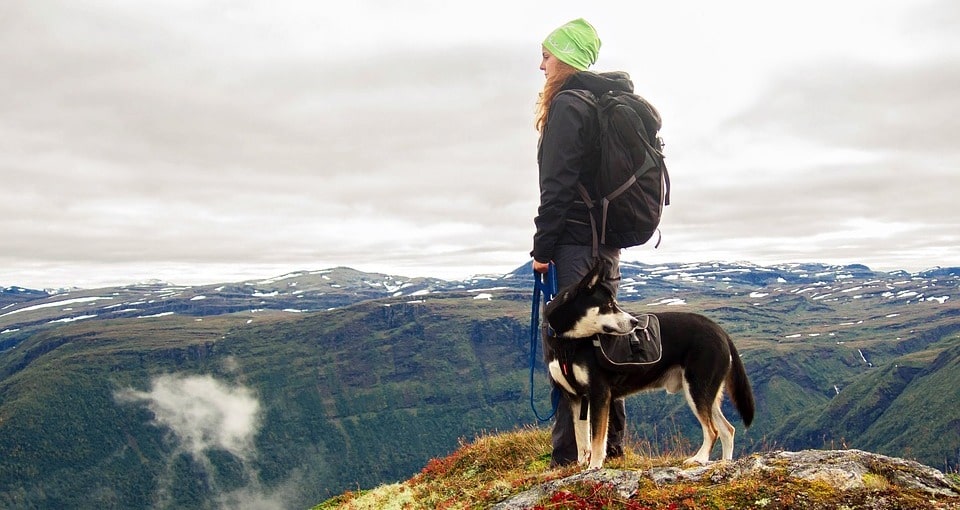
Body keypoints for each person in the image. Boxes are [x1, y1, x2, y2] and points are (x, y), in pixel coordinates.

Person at [531, 18, 632, 467]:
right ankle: (609, 448)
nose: (541, 65)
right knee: (604, 344)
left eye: (548, 56)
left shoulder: (569, 105)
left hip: (574, 244)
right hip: (605, 245)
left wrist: (542, 248)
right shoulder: (599, 103)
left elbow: (557, 187)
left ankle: (568, 457)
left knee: (569, 347)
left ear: (567, 59)